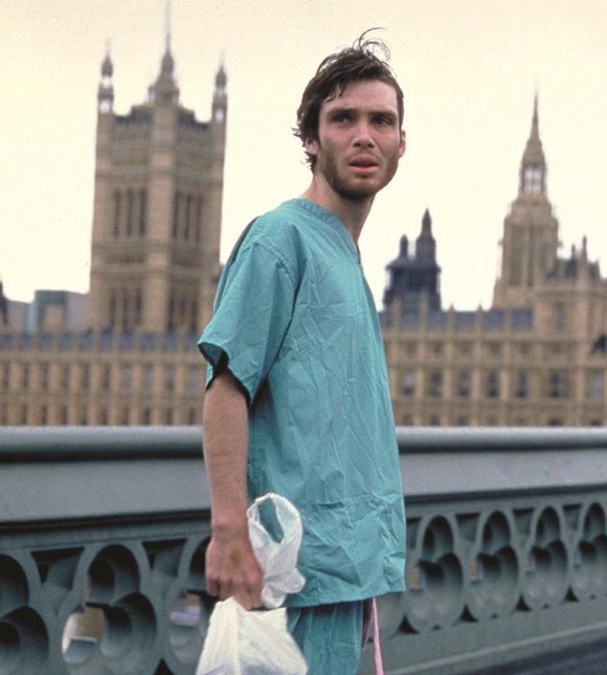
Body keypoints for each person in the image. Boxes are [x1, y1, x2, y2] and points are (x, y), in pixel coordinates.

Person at [198, 33, 407, 673]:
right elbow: (226, 387)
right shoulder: (279, 240)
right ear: (311, 141)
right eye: (343, 119)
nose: (364, 135)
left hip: (346, 570)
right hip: (290, 572)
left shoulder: (343, 253)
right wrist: (230, 529)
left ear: (402, 142)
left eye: (381, 121)